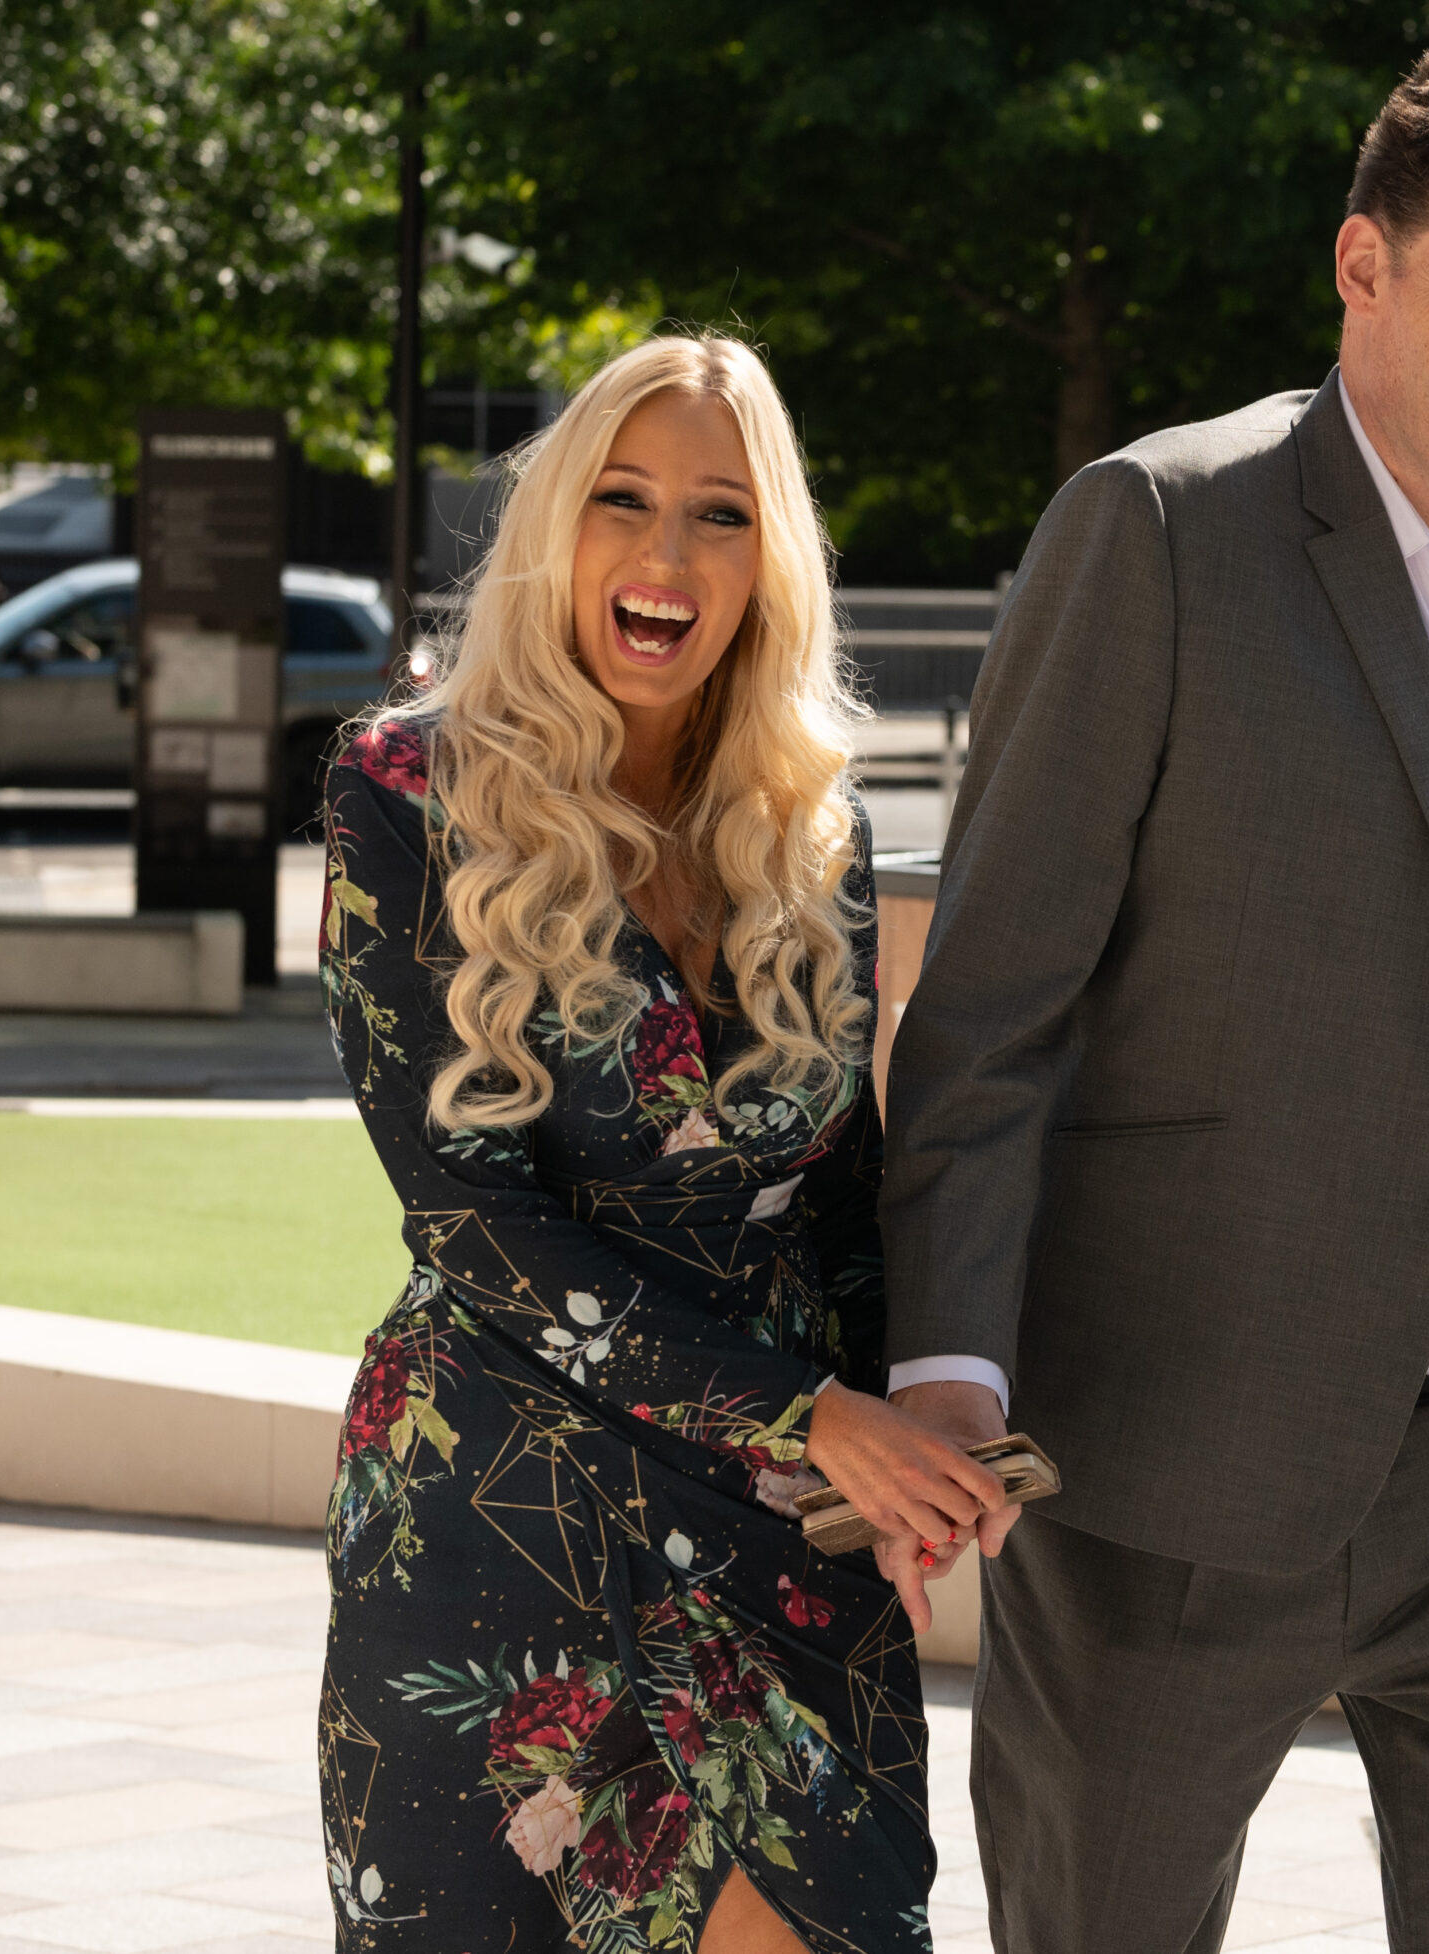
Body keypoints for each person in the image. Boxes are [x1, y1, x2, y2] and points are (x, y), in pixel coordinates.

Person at [884, 56, 1429, 1954]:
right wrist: (949, 1367)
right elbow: (992, 1001)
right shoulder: (1159, 528)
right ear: (1362, 265)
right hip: (1177, 1466)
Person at [317, 334, 993, 1954]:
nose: (666, 554)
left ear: (773, 563)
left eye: (721, 512)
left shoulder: (812, 821)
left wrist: (904, 1443)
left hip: (779, 1526)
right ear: (558, 523)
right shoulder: (406, 785)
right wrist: (817, 1410)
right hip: (496, 1510)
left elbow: (841, 1187)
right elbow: (467, 1216)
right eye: (623, 499)